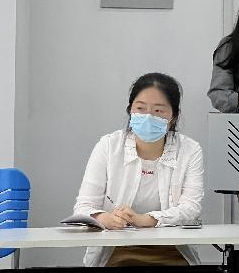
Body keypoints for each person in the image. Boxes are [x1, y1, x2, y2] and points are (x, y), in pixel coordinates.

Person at [73, 73, 204, 267]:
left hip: (172, 248)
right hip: (118, 249)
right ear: (130, 110)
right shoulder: (108, 146)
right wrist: (105, 218)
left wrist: (145, 219)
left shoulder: (190, 150)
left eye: (158, 110)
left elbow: (191, 209)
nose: (148, 117)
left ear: (173, 116)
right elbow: (83, 207)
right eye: (140, 108)